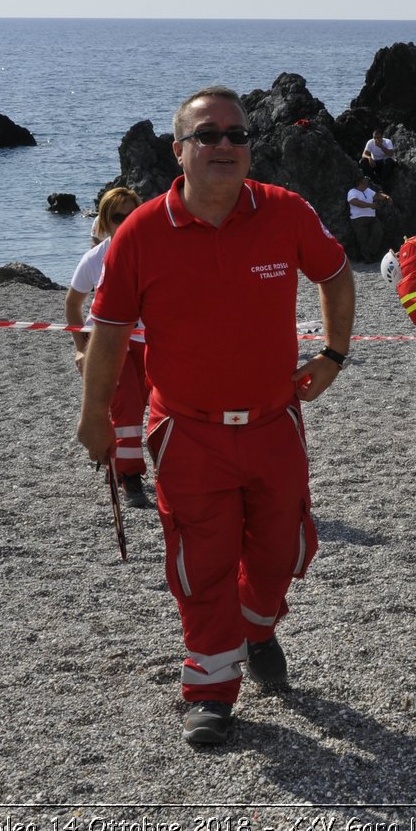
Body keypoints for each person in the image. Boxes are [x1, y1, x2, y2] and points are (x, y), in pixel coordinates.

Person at [77, 85, 354, 748]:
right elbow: (108, 332)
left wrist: (334, 353)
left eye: (237, 134)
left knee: (282, 550)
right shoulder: (141, 231)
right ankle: (210, 687)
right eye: (209, 135)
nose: (225, 144)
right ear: (180, 152)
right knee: (202, 564)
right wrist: (94, 414)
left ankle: (257, 624)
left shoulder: (285, 212)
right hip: (187, 432)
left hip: (273, 424)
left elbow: (338, 274)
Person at [68, 188, 150, 507]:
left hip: (148, 341)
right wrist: (79, 348)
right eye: (118, 217)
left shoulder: (154, 251)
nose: (126, 222)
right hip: (108, 343)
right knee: (127, 406)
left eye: (132, 215)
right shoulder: (95, 258)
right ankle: (129, 475)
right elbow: (73, 304)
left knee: (149, 405)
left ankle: (119, 459)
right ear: (105, 221)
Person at [346, 175, 389, 261]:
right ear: (360, 183)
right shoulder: (352, 192)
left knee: (378, 232)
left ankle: (370, 253)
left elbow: (376, 195)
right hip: (358, 219)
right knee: (363, 239)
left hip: (372, 218)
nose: (367, 183)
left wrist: (385, 197)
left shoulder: (368, 190)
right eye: (365, 181)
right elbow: (354, 202)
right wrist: (370, 205)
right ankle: (368, 258)